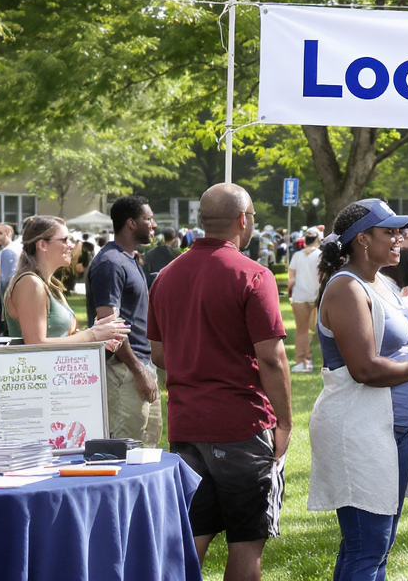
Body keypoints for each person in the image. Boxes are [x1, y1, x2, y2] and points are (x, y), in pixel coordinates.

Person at [149, 184, 292, 581]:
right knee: (247, 541)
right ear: (243, 220)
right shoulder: (254, 274)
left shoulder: (165, 277)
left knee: (193, 535)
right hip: (241, 425)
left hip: (187, 426)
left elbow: (159, 354)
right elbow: (272, 357)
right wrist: (286, 422)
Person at [308, 199, 408, 581]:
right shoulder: (345, 288)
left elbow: (397, 348)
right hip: (357, 431)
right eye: (389, 231)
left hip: (394, 432)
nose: (400, 238)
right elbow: (365, 368)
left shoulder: (383, 282)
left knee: (376, 547)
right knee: (366, 547)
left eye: (400, 231)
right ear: (362, 239)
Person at [86, 196, 161, 444]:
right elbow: (110, 326)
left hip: (142, 364)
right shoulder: (110, 263)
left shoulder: (129, 258)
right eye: (148, 219)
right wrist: (138, 370)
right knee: (126, 450)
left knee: (148, 448)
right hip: (123, 370)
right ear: (130, 222)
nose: (154, 225)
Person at [5, 216, 129, 349]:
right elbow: (35, 343)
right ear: (42, 245)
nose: (71, 245)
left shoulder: (50, 286)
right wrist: (91, 335)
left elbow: (59, 338)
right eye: (64, 240)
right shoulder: (31, 283)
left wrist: (98, 338)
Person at [288, 227, 323, 373]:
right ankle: (310, 359)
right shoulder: (321, 255)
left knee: (301, 331)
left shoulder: (297, 256)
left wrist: (289, 293)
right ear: (318, 240)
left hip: (299, 296)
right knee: (316, 331)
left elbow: (291, 278)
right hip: (316, 296)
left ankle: (302, 361)